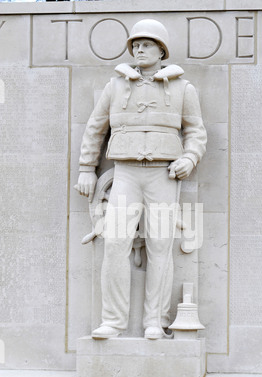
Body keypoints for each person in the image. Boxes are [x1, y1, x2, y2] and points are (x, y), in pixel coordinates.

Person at [75, 19, 207, 339]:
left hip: (162, 175)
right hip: (125, 174)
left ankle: (154, 321)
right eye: (135, 44)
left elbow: (196, 132)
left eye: (146, 44)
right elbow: (95, 128)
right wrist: (85, 168)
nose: (138, 49)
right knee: (116, 244)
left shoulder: (182, 88)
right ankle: (113, 321)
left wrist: (189, 158)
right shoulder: (115, 86)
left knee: (161, 246)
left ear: (161, 50)